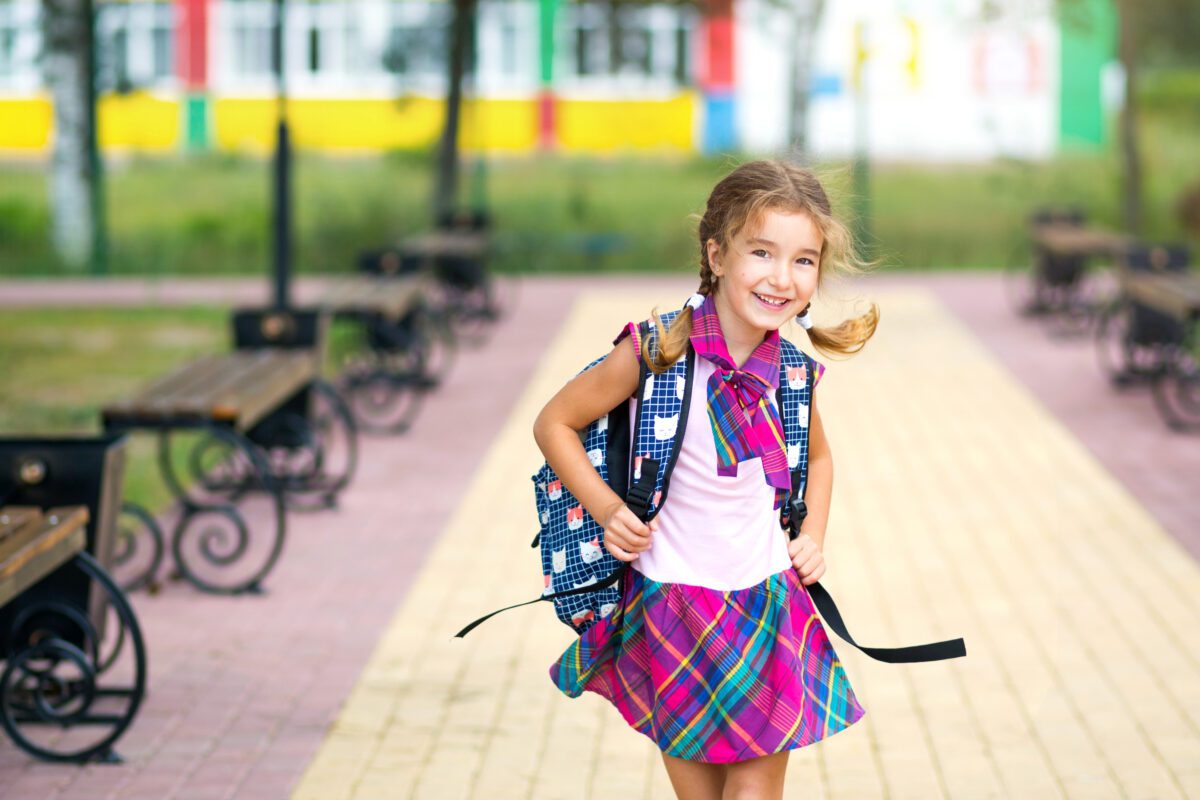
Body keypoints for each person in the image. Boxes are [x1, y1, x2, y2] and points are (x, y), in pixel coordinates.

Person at [532, 160, 879, 799]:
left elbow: (821, 459)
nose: (782, 277)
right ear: (717, 254)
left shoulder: (793, 377)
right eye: (762, 252)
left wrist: (815, 536)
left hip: (766, 606)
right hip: (670, 606)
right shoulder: (656, 352)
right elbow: (555, 422)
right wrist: (608, 509)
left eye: (804, 261)